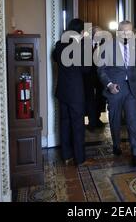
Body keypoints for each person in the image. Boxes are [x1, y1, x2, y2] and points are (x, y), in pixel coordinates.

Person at [97, 21, 136, 167]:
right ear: (118, 32)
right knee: (115, 120)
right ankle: (116, 145)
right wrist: (109, 85)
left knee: (133, 122)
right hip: (115, 89)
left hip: (131, 90)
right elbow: (101, 69)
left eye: (129, 32)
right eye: (123, 31)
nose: (126, 34)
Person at [53, 19, 89, 166]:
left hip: (62, 91)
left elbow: (55, 58)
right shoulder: (80, 47)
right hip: (75, 93)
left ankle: (66, 156)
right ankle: (80, 159)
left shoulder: (60, 44)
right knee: (78, 125)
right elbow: (86, 70)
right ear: (80, 32)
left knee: (64, 123)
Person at [84, 26, 106, 130]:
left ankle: (97, 118)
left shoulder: (105, 45)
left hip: (101, 76)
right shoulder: (85, 44)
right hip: (88, 76)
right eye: (96, 34)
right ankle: (91, 121)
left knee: (100, 99)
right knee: (89, 99)